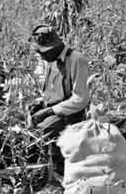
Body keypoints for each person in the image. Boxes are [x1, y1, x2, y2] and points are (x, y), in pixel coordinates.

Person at [28, 24, 91, 173]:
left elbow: (80, 99)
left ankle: (60, 165)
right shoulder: (51, 59)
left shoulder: (76, 60)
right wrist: (40, 103)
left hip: (72, 115)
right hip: (53, 109)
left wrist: (48, 111)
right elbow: (50, 89)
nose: (42, 56)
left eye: (43, 52)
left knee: (39, 133)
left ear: (55, 47)